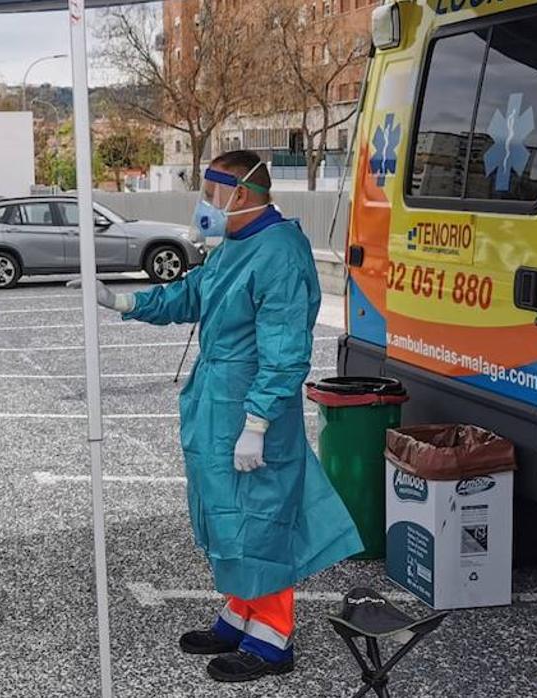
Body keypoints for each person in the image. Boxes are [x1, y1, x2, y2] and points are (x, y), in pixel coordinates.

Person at [82, 150, 363, 683]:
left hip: (251, 410)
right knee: (222, 516)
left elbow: (284, 351)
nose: (204, 205)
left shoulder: (280, 252)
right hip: (217, 405)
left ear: (242, 194)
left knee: (261, 520)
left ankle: (274, 638)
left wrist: (256, 424)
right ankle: (240, 614)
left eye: (211, 194)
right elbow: (194, 295)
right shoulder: (235, 245)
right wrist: (122, 303)